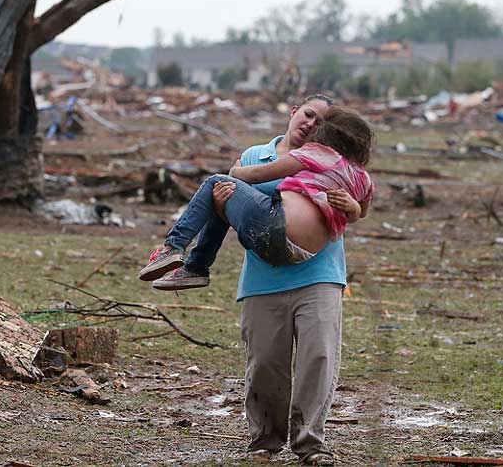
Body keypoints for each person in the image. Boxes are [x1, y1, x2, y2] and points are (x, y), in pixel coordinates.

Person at [147, 94, 361, 465]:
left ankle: (311, 444)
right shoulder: (253, 157)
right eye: (308, 114)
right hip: (263, 279)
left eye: (321, 121)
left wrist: (353, 206)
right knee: (264, 364)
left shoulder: (333, 160)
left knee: (319, 357)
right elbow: (229, 206)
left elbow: (359, 203)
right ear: (294, 112)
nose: (311, 123)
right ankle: (265, 441)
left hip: (320, 276)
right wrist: (220, 198)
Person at [138, 106, 373, 283]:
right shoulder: (363, 177)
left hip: (277, 228)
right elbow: (361, 212)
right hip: (301, 254)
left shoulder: (316, 152)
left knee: (216, 183)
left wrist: (235, 170)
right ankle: (195, 268)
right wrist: (353, 207)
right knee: (224, 194)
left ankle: (174, 249)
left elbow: (258, 175)